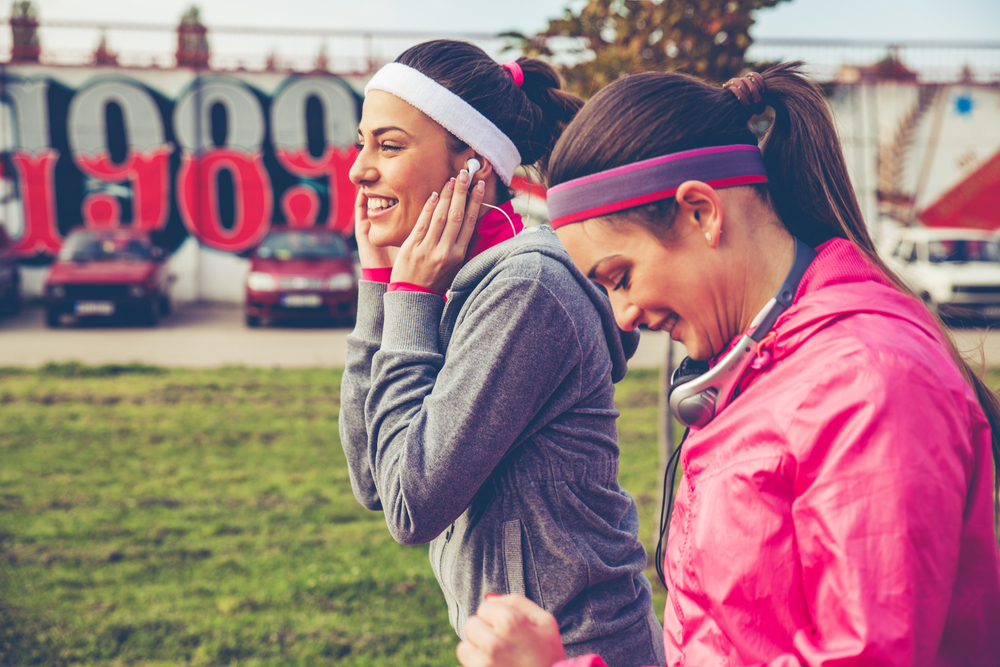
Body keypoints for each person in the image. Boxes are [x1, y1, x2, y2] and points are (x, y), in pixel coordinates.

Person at [455, 63, 1000, 667]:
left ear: (701, 212)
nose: (624, 315)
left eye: (621, 277)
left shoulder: (867, 384)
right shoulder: (760, 365)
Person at [338, 39, 666, 667]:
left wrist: (409, 298)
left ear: (474, 165)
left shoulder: (526, 290)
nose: (359, 170)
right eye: (362, 143)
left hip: (582, 649)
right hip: (514, 649)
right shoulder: (460, 285)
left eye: (389, 145)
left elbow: (410, 506)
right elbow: (371, 479)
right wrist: (380, 285)